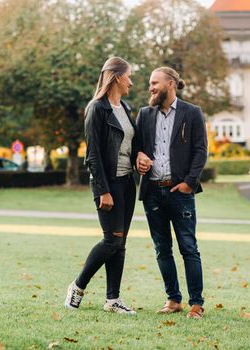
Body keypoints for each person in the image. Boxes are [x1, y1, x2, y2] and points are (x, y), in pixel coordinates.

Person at [64, 57, 140, 315]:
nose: (131, 81)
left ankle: (112, 300)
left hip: (128, 183)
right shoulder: (97, 109)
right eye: (129, 75)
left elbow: (131, 144)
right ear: (117, 77)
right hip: (109, 185)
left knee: (121, 243)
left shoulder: (125, 107)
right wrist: (103, 190)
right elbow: (93, 155)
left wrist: (140, 156)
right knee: (111, 241)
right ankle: (77, 286)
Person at [135, 67, 208, 319]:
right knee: (161, 249)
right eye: (149, 84)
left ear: (171, 84)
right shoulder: (144, 114)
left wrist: (189, 182)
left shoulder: (192, 112)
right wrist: (139, 156)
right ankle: (173, 299)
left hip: (181, 193)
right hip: (152, 192)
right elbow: (137, 148)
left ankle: (196, 304)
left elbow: (201, 151)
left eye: (155, 83)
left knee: (189, 247)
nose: (151, 87)